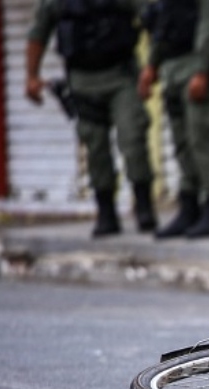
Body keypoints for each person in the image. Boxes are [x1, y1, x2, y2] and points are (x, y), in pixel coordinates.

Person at [25, 0, 156, 238]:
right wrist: (31, 76)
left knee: (133, 137)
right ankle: (106, 211)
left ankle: (144, 205)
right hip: (82, 80)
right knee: (95, 146)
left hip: (121, 75)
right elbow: (38, 33)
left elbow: (152, 18)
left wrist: (152, 66)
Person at [138, 0, 209, 239]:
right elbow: (163, 24)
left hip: (196, 64)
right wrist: (151, 65)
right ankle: (189, 208)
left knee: (203, 138)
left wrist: (203, 70)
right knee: (182, 143)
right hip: (172, 67)